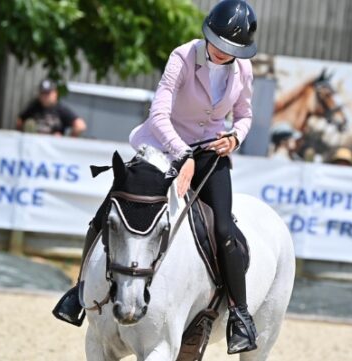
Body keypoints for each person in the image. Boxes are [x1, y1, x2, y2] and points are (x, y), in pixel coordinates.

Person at [53, 0, 259, 354]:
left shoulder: (243, 70)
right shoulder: (182, 56)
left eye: (232, 50)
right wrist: (182, 154)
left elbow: (244, 114)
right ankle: (79, 289)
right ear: (208, 33)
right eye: (220, 45)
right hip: (162, 146)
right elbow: (159, 112)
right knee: (107, 211)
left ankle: (239, 315)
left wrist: (235, 137)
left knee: (225, 230)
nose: (224, 54)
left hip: (210, 155)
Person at [16, 79, 86, 136]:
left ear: (55, 93)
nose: (45, 96)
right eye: (43, 93)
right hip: (35, 148)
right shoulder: (34, 107)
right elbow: (20, 121)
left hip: (52, 150)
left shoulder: (61, 109)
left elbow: (80, 126)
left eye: (48, 93)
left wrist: (66, 140)